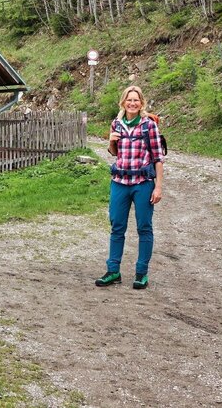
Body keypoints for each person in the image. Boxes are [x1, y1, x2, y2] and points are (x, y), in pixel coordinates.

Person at [95, 85, 164, 290]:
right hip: (119, 182)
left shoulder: (148, 126)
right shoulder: (116, 124)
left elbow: (158, 158)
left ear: (141, 103)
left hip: (142, 184)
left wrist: (158, 187)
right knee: (117, 227)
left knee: (144, 227)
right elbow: (114, 153)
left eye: (136, 100)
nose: (132, 103)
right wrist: (111, 141)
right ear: (123, 102)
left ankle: (141, 273)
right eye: (129, 100)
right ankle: (113, 270)